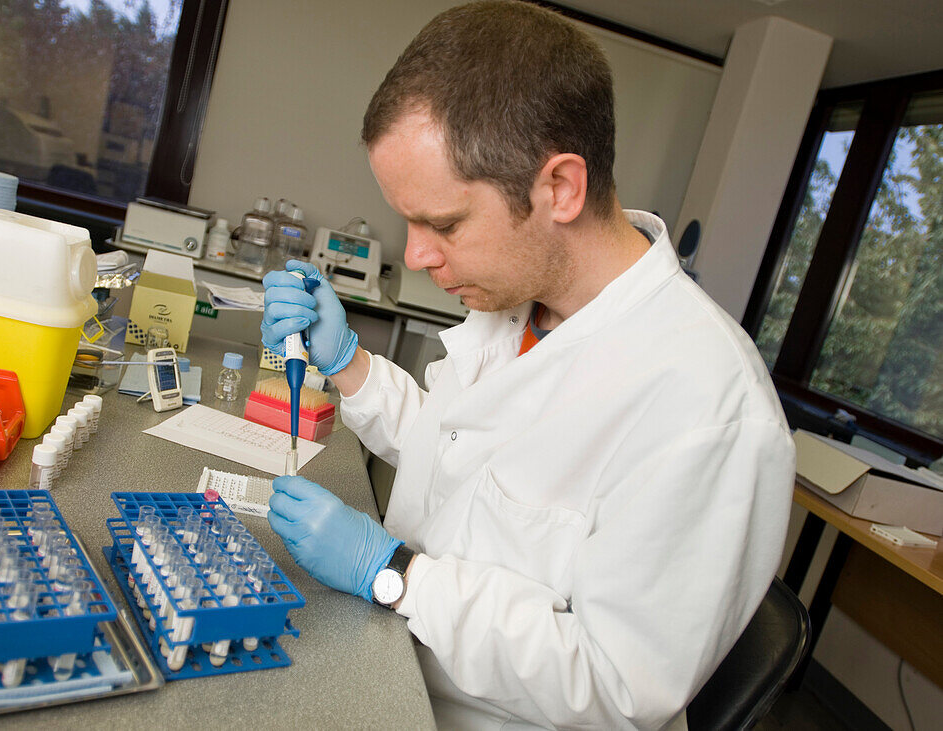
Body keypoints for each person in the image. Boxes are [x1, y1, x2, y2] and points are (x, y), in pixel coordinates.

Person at [260, 2, 795, 728]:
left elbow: (614, 688)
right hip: (391, 664)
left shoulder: (706, 407)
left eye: (443, 223)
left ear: (560, 188)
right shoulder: (522, 299)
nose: (415, 254)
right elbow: (461, 456)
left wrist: (393, 573)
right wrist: (349, 364)